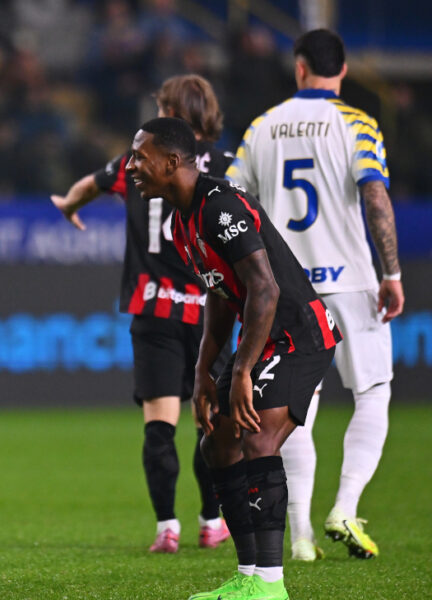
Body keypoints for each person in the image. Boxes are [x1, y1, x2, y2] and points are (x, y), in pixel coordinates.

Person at [126, 117, 340, 600]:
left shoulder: (221, 205)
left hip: (299, 336)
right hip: (263, 339)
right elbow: (221, 296)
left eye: (140, 157)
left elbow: (265, 287)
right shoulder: (184, 218)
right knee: (216, 445)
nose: (132, 166)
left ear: (172, 162)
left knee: (257, 438)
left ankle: (270, 585)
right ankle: (249, 576)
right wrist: (205, 371)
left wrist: (240, 370)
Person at [226, 28, 402, 561]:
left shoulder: (263, 127)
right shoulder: (358, 123)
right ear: (342, 71)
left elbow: (232, 201)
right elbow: (374, 197)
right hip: (350, 280)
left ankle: (299, 533)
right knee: (372, 392)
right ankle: (345, 507)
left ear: (299, 68)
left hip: (286, 290)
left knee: (295, 405)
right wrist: (391, 271)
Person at [51, 74, 231, 553]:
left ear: (169, 111)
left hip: (153, 306)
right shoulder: (231, 166)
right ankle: (211, 522)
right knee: (208, 420)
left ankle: (165, 527)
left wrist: (68, 204)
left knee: (160, 424)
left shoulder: (136, 162)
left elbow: (90, 185)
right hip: (210, 310)